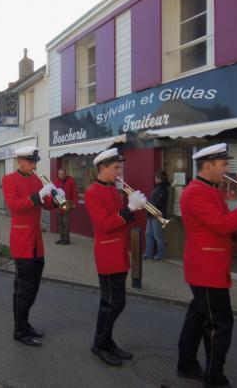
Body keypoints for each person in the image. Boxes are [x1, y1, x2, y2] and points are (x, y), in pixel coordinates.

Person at [177, 143, 237, 388]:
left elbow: (223, 223)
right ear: (208, 165)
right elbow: (222, 225)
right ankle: (214, 378)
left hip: (208, 266)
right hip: (206, 269)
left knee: (198, 317)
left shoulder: (209, 189)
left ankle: (187, 364)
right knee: (219, 325)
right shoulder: (197, 191)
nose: (228, 168)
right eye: (224, 164)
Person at [85, 148, 146, 366]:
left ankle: (106, 341)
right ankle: (100, 344)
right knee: (113, 302)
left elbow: (119, 220)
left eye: (120, 166)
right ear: (102, 168)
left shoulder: (113, 189)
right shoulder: (93, 192)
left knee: (112, 302)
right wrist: (129, 209)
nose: (120, 171)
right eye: (115, 167)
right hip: (107, 252)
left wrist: (133, 206)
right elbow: (105, 224)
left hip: (118, 251)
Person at [2, 146, 56, 347]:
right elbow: (15, 205)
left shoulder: (36, 179)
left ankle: (25, 323)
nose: (34, 166)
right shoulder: (9, 180)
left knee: (32, 286)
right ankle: (19, 329)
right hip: (22, 241)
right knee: (24, 288)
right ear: (21, 161)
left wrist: (56, 197)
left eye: (35, 162)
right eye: (31, 162)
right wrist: (38, 195)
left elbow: (48, 205)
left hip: (36, 242)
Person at [143, 170, 170, 260]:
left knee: (158, 236)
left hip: (157, 215)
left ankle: (160, 254)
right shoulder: (158, 188)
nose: (154, 179)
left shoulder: (162, 189)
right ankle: (148, 253)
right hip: (151, 215)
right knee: (148, 234)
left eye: (155, 177)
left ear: (159, 178)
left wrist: (148, 207)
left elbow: (158, 203)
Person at [52, 169, 79, 245]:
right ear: (58, 174)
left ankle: (67, 240)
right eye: (60, 174)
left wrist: (74, 203)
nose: (61, 175)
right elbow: (53, 193)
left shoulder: (71, 181)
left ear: (65, 174)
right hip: (59, 205)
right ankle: (61, 238)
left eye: (63, 173)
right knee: (60, 223)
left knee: (66, 222)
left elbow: (75, 192)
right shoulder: (55, 182)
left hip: (67, 204)